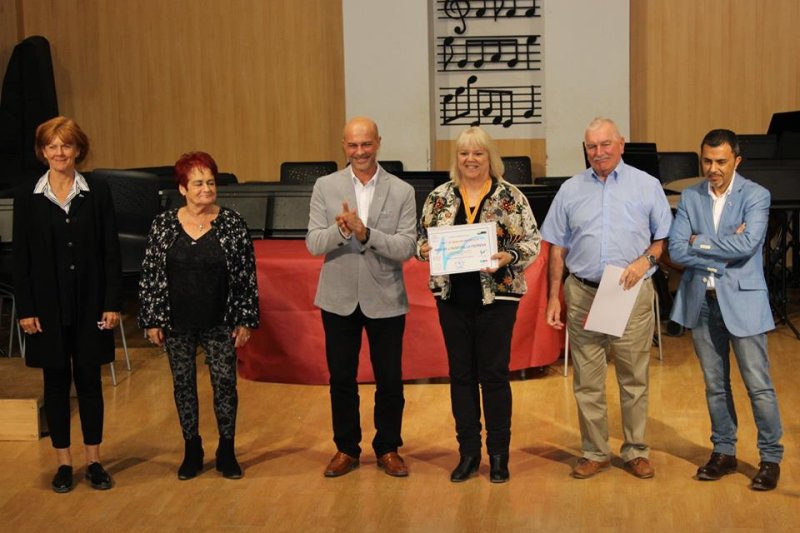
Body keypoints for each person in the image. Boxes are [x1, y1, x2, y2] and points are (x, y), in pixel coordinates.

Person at [541, 117, 672, 480]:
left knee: (633, 377)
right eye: (591, 147)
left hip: (629, 293)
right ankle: (595, 451)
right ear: (585, 149)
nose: (598, 153)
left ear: (621, 144)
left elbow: (661, 241)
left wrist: (643, 261)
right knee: (587, 379)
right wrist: (554, 296)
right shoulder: (570, 190)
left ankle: (635, 450)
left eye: (605, 145)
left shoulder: (647, 186)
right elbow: (556, 248)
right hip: (582, 292)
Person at [417, 127, 541, 483]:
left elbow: (533, 241)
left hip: (498, 299)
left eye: (478, 154)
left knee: (495, 376)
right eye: (464, 154)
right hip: (452, 298)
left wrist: (509, 256)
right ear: (456, 159)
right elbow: (420, 238)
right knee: (461, 377)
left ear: (491, 158)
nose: (470, 160)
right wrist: (423, 249)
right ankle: (468, 453)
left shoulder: (510, 197)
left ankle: (498, 455)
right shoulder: (439, 197)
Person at [668, 129, 783, 491]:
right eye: (707, 161)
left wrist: (698, 241)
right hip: (702, 303)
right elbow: (676, 249)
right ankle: (724, 451)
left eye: (720, 161)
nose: (713, 168)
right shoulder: (690, 196)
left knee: (758, 386)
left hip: (743, 301)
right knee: (715, 386)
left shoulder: (756, 195)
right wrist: (721, 244)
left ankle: (770, 458)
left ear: (736, 160)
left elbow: (748, 244)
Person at [13, 116, 121, 493]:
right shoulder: (27, 194)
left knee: (89, 382)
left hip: (91, 305)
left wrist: (111, 302)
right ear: (43, 152)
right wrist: (26, 308)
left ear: (78, 149)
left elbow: (111, 252)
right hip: (46, 308)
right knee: (55, 384)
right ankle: (63, 463)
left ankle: (94, 460)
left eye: (66, 145)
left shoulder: (99, 192)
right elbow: (21, 256)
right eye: (52, 146)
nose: (59, 152)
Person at [306, 116, 416, 478]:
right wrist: (341, 231)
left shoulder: (402, 190)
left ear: (378, 143)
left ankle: (388, 448)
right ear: (343, 146)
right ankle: (346, 449)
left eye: (366, 144)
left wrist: (366, 232)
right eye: (353, 145)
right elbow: (312, 243)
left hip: (385, 297)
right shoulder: (325, 186)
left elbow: (405, 248)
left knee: (389, 379)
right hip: (338, 299)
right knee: (341, 378)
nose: (360, 152)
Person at [138, 151, 259, 480]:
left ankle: (227, 449)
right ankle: (192, 449)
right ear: (182, 188)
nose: (206, 188)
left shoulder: (232, 223)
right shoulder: (163, 225)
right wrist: (152, 319)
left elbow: (247, 276)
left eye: (210, 182)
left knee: (225, 386)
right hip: (177, 323)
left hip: (221, 321)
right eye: (198, 183)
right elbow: (150, 274)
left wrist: (245, 320)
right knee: (183, 387)